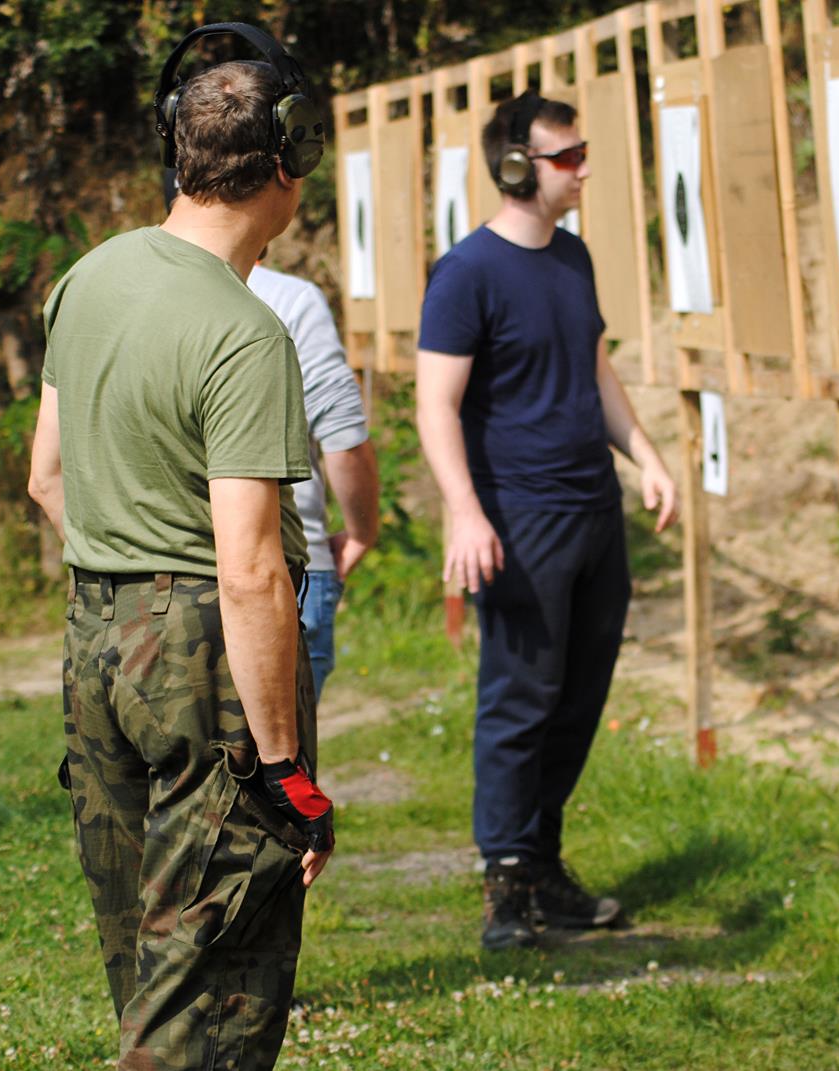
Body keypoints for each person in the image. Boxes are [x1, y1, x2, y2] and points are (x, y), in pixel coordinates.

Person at [28, 34, 335, 1069]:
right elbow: (249, 569)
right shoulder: (244, 334)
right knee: (210, 994)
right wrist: (287, 771)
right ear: (290, 157)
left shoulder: (88, 278)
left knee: (147, 968)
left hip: (94, 637)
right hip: (203, 653)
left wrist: (125, 586)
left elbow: (46, 477)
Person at [415, 91, 679, 950]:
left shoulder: (575, 260)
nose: (583, 170)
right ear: (517, 166)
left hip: (593, 510)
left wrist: (648, 456)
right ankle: (503, 888)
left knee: (578, 698)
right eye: (566, 157)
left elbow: (596, 370)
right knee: (520, 700)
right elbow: (436, 405)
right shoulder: (466, 273)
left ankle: (543, 866)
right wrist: (465, 511)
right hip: (520, 518)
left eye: (582, 152)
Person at [247, 259, 380, 699]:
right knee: (285, 762)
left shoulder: (114, 288)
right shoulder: (291, 299)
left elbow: (49, 476)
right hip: (290, 563)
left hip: (151, 582)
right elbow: (342, 438)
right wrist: (362, 532)